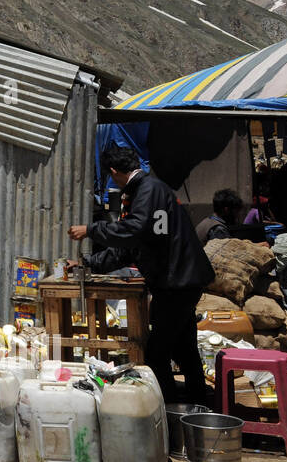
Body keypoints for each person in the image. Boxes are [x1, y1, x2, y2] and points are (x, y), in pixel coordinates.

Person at [69, 145, 214, 404]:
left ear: (114, 172)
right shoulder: (144, 192)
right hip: (175, 281)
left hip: (178, 282)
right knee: (184, 349)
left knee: (157, 354)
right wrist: (88, 263)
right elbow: (131, 247)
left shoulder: (148, 190)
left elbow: (134, 230)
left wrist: (91, 229)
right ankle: (196, 404)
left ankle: (166, 408)